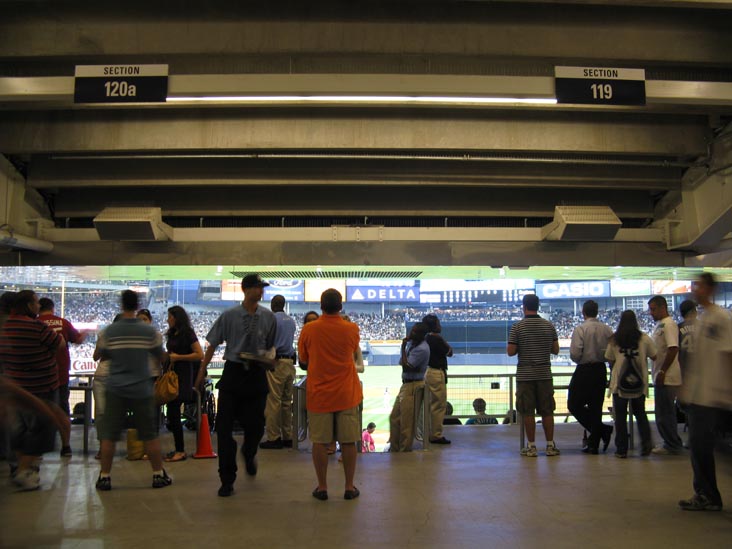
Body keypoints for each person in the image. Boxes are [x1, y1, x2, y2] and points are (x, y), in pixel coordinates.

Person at [195, 274, 277, 498]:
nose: (261, 292)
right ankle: (227, 479)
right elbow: (212, 344)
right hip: (233, 372)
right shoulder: (229, 316)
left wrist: (269, 359)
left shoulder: (269, 317)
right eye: (258, 287)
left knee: (256, 426)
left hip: (257, 373)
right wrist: (201, 374)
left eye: (262, 288)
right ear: (246, 289)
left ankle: (249, 452)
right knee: (223, 428)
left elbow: (271, 347)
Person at [95, 290, 171, 491]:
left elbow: (102, 354)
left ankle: (105, 476)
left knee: (109, 436)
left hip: (115, 388)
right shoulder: (149, 332)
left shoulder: (109, 331)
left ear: (122, 305)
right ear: (137, 306)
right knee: (149, 435)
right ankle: (157, 475)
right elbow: (161, 357)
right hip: (141, 388)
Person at [298, 289, 362, 501]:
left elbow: (304, 359)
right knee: (348, 442)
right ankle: (349, 487)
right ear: (340, 306)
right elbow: (353, 351)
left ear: (321, 306)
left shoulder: (309, 329)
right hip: (346, 393)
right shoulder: (352, 329)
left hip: (319, 394)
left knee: (319, 442)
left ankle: (323, 487)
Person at [678, 273, 732, 512]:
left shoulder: (720, 318)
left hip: (715, 395)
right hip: (701, 396)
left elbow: (728, 354)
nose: (694, 290)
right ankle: (706, 493)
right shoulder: (702, 320)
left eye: (698, 286)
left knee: (706, 445)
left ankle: (708, 495)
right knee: (702, 445)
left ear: (710, 289)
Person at [0, 290, 64, 491]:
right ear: (28, 305)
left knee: (20, 430)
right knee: (41, 429)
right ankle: (26, 470)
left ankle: (21, 467)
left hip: (15, 387)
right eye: (36, 302)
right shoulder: (36, 327)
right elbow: (59, 344)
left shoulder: (6, 326)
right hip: (40, 387)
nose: (39, 306)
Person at [507, 294, 560, 457]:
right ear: (538, 306)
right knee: (547, 411)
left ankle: (531, 446)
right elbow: (556, 350)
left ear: (524, 307)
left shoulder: (518, 327)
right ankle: (550, 446)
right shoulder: (548, 325)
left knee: (527, 412)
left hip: (525, 376)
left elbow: (510, 352)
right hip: (544, 374)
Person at [38, 297, 88, 457]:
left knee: (36, 410)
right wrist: (85, 333)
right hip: (60, 375)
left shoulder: (34, 323)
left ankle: (36, 447)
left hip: (38, 376)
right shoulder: (62, 322)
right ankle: (65, 446)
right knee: (62, 410)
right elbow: (78, 339)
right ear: (52, 308)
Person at [605, 310, 657, 458]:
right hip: (638, 384)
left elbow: (609, 358)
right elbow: (655, 355)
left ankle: (621, 449)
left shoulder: (614, 339)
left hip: (619, 384)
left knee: (620, 417)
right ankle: (646, 445)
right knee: (640, 415)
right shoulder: (644, 338)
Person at [567, 300, 614, 454]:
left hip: (584, 369)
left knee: (573, 404)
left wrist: (580, 359)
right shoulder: (607, 329)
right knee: (596, 407)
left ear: (583, 313)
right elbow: (612, 352)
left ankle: (601, 432)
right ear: (597, 312)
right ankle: (595, 441)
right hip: (600, 369)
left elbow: (575, 354)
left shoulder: (580, 329)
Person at [163, 306, 204, 462]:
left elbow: (199, 354)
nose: (168, 320)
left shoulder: (188, 334)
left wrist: (178, 357)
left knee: (174, 411)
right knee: (172, 413)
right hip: (172, 375)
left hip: (182, 377)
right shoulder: (172, 333)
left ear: (176, 318)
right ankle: (178, 448)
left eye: (170, 317)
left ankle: (180, 450)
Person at [260, 295, 297, 450]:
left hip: (277, 362)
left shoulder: (271, 320)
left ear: (273, 305)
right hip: (290, 363)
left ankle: (274, 437)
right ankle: (288, 436)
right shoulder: (291, 321)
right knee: (286, 402)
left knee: (273, 402)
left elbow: (267, 343)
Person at [648, 296, 684, 455]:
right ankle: (671, 442)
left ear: (663, 307)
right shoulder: (660, 325)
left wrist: (663, 371)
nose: (651, 312)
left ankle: (671, 444)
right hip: (661, 375)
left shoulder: (668, 325)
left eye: (653, 309)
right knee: (663, 412)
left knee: (665, 413)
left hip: (667, 377)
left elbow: (673, 348)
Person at [389, 322, 430, 452]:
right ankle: (395, 449)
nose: (411, 334)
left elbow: (406, 365)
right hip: (406, 385)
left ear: (421, 335)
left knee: (407, 423)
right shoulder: (413, 345)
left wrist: (403, 347)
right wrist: (405, 349)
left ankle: (404, 451)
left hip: (414, 386)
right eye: (412, 331)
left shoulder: (422, 348)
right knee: (394, 418)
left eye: (414, 332)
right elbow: (402, 362)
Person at [92, 313, 122, 459]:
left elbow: (95, 356)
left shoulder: (106, 334)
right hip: (111, 376)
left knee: (103, 414)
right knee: (105, 414)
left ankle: (105, 447)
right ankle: (105, 447)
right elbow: (95, 356)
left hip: (108, 375)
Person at [422, 313, 453, 445]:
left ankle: (428, 433)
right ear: (434, 325)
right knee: (438, 405)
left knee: (429, 405)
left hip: (427, 372)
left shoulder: (425, 338)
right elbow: (450, 352)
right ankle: (435, 435)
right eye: (438, 323)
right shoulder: (436, 338)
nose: (440, 325)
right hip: (436, 373)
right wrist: (442, 339)